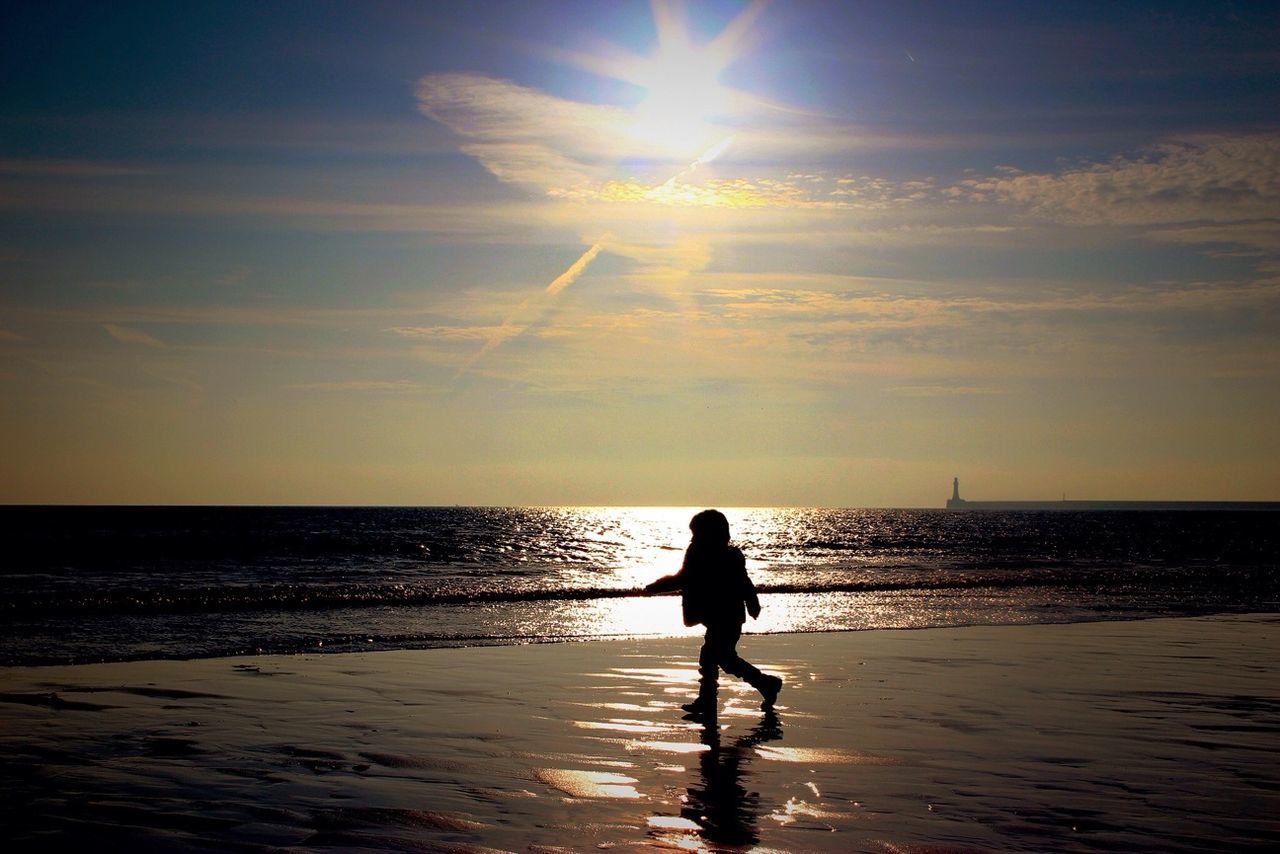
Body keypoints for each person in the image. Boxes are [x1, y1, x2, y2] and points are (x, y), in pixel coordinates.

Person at [644, 509, 782, 717]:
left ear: (711, 533)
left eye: (697, 533)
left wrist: (655, 587)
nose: (693, 537)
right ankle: (711, 699)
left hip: (726, 617)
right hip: (723, 616)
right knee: (715, 657)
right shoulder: (721, 554)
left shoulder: (711, 555)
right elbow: (744, 583)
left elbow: (684, 579)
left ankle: (763, 684)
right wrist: (752, 603)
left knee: (719, 657)